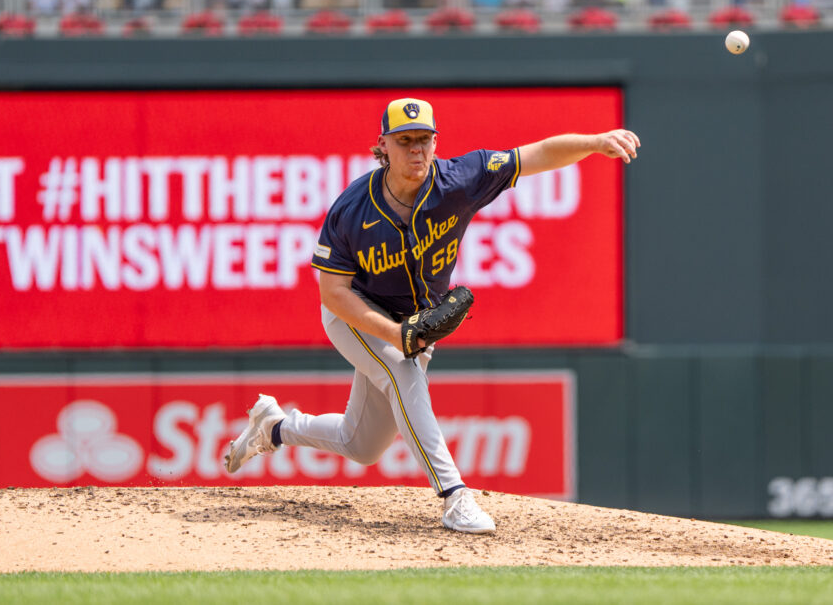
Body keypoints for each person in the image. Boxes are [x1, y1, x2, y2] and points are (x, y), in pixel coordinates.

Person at [225, 97, 641, 533]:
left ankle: (275, 427)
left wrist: (595, 142)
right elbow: (333, 293)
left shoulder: (460, 179)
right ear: (382, 145)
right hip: (359, 314)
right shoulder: (353, 209)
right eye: (405, 141)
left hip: (415, 325)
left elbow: (534, 154)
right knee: (401, 368)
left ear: (436, 143)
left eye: (424, 140)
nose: (416, 150)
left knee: (361, 444)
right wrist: (393, 333)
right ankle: (454, 496)